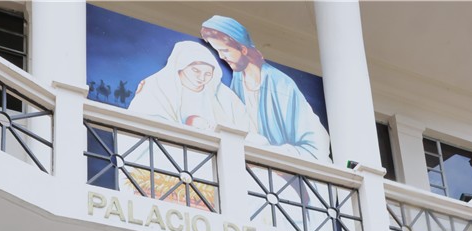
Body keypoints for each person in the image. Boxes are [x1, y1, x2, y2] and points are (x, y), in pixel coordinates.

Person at [200, 16, 330, 162]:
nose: (221, 56)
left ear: (243, 49)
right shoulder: (237, 80)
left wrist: (268, 153)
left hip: (282, 166)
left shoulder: (280, 84)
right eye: (217, 51)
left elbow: (315, 144)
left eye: (224, 50)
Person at [129, 40, 264, 143]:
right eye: (196, 71)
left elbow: (244, 130)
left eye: (207, 74)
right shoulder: (158, 86)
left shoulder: (224, 96)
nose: (201, 78)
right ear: (181, 66)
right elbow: (144, 124)